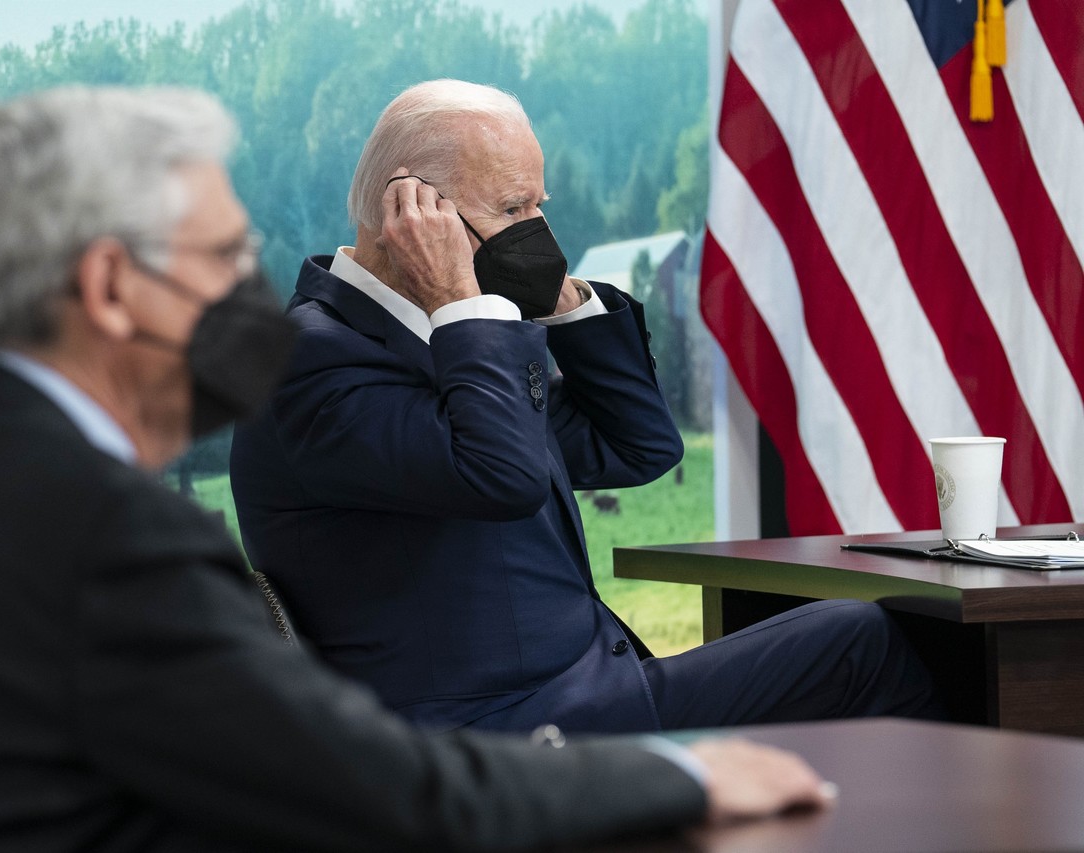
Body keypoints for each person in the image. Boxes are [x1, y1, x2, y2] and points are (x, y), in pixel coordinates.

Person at [0, 85, 834, 853]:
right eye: (224, 260)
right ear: (112, 285)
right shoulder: (107, 538)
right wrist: (680, 779)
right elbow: (383, 790)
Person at [230, 78, 943, 735]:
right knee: (858, 644)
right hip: (491, 734)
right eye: (513, 210)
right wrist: (461, 302)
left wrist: (559, 298)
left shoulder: (439, 339)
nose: (536, 233)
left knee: (862, 638)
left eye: (539, 207)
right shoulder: (308, 361)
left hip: (577, 691)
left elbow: (638, 445)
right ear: (413, 210)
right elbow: (500, 477)